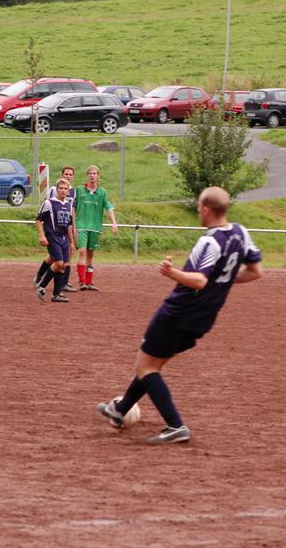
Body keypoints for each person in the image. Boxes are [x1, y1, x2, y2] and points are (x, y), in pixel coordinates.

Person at [96, 187, 263, 444]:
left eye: (198, 207)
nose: (198, 211)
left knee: (145, 367)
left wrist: (172, 272)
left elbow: (199, 280)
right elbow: (255, 271)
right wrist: (221, 281)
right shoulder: (241, 232)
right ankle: (120, 410)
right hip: (203, 319)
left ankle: (175, 425)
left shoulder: (209, 241)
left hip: (178, 313)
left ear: (205, 209)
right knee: (153, 364)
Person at [74, 165, 118, 291]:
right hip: (81, 225)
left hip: (95, 227)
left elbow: (109, 208)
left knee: (90, 254)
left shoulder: (102, 192)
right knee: (82, 251)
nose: (92, 175)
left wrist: (114, 223)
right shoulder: (80, 190)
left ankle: (89, 282)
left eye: (95, 173)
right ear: (87, 175)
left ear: (98, 176)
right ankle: (82, 282)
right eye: (90, 173)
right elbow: (73, 207)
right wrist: (73, 225)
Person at [34, 165, 77, 293]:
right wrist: (42, 234)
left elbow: (70, 217)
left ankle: (59, 290)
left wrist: (72, 235)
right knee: (57, 261)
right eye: (66, 174)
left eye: (70, 174)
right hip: (53, 232)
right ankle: (41, 281)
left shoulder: (71, 197)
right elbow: (41, 216)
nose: (68, 176)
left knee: (62, 261)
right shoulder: (51, 195)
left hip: (64, 233)